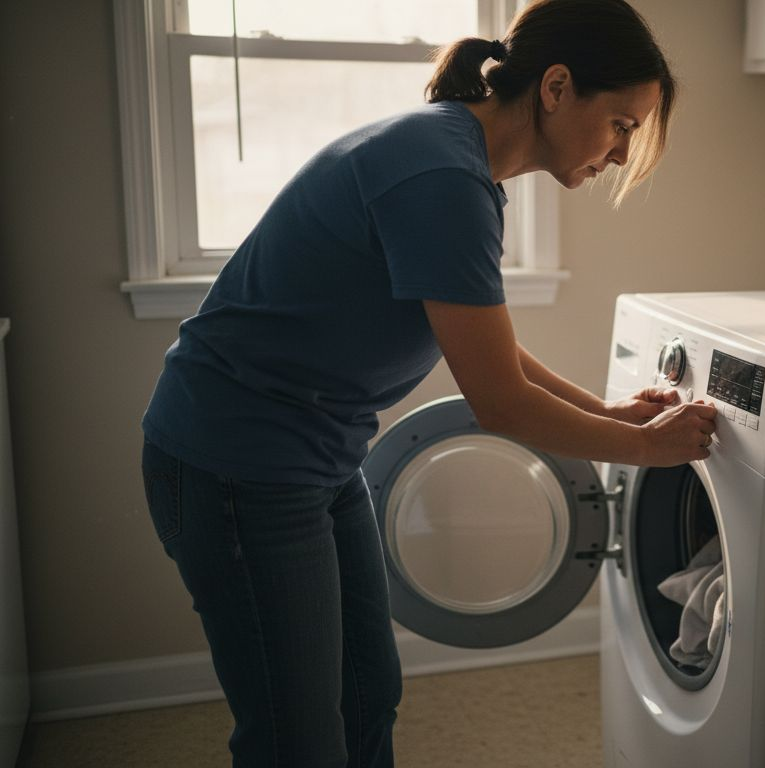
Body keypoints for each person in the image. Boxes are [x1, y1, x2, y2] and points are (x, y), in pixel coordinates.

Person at [138, 1, 714, 765]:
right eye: (620, 124)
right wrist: (647, 450)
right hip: (236, 466)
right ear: (556, 87)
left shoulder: (452, 158)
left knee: (368, 693)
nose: (619, 152)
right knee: (295, 738)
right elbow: (500, 401)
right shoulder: (443, 174)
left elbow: (487, 354)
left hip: (310, 458)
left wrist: (608, 412)